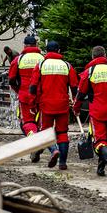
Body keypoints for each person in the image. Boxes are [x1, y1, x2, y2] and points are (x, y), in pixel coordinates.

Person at [75, 45, 107, 180]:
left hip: (97, 113)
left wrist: (76, 109)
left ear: (93, 57)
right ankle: (100, 170)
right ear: (104, 56)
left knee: (99, 142)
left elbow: (80, 94)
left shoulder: (90, 72)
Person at [31, 40, 78, 170]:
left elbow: (33, 87)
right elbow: (74, 87)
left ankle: (53, 150)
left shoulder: (41, 65)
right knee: (62, 132)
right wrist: (75, 101)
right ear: (59, 50)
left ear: (46, 51)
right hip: (62, 104)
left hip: (46, 104)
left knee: (46, 131)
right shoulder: (67, 66)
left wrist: (33, 103)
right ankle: (62, 163)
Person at [8, 34, 45, 158]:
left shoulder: (19, 59)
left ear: (24, 45)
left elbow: (12, 79)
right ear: (36, 45)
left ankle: (34, 140)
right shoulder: (43, 58)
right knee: (39, 122)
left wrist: (18, 90)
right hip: (41, 96)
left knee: (27, 122)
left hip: (25, 95)